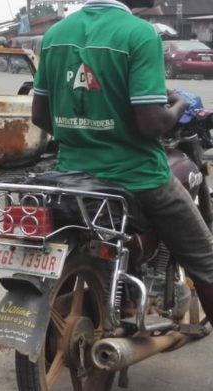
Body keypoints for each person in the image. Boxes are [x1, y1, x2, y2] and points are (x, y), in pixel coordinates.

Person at [31, 0, 213, 323]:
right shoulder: (140, 34)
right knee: (206, 259)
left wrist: (82, 134)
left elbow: (40, 116)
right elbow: (151, 123)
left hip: (71, 176)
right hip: (139, 177)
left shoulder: (56, 34)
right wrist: (179, 105)